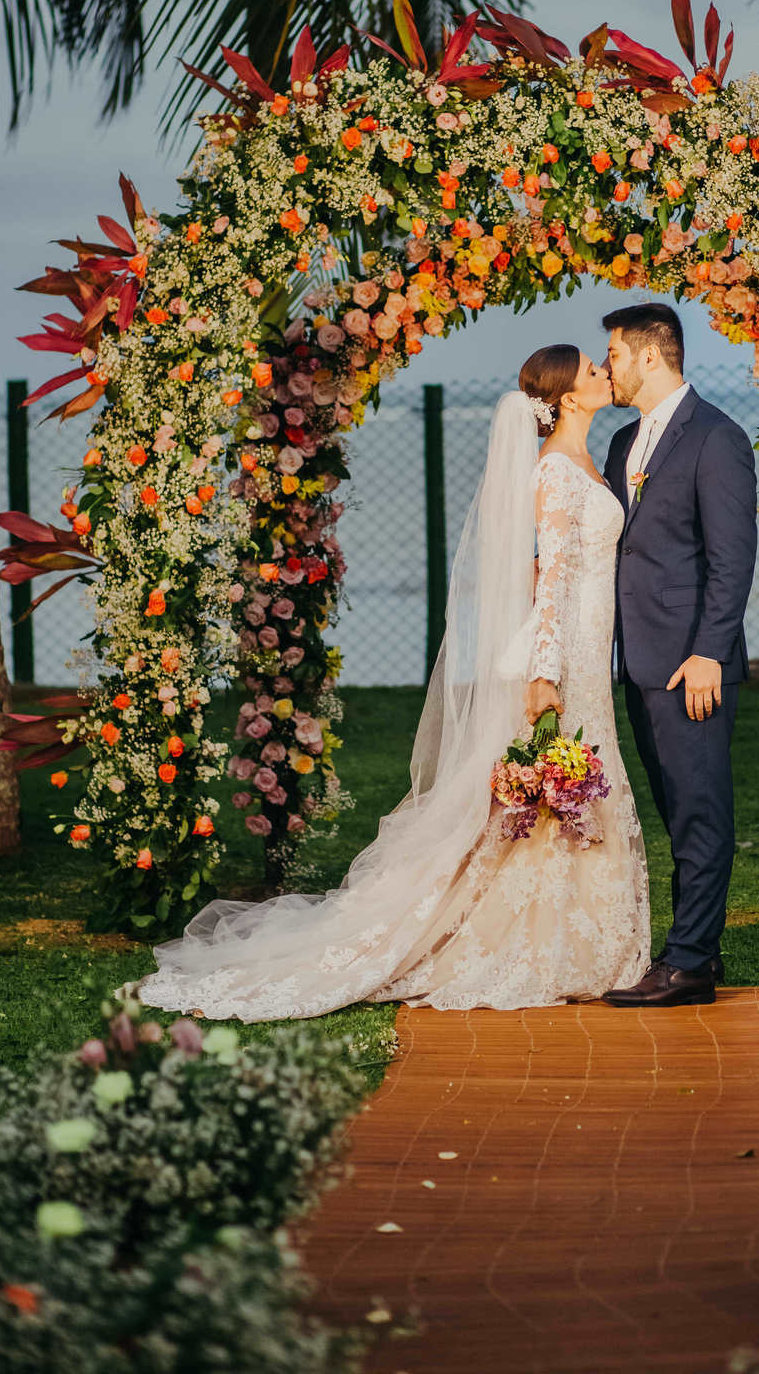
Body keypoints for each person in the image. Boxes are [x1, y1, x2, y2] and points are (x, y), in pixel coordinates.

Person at [131, 347, 649, 1020]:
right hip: (564, 656)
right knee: (556, 789)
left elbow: (549, 567)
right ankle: (541, 940)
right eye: (592, 370)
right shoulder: (553, 470)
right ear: (570, 396)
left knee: (574, 784)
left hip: (587, 646)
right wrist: (545, 669)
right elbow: (549, 579)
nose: (604, 373)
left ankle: (579, 934)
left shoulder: (587, 461)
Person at [599, 303, 757, 1009]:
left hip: (691, 666)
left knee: (700, 811)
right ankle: (698, 947)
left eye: (613, 354)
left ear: (650, 355)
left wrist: (708, 655)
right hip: (638, 660)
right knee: (675, 810)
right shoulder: (623, 441)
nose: (607, 367)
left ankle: (688, 965)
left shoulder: (716, 439)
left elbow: (732, 561)